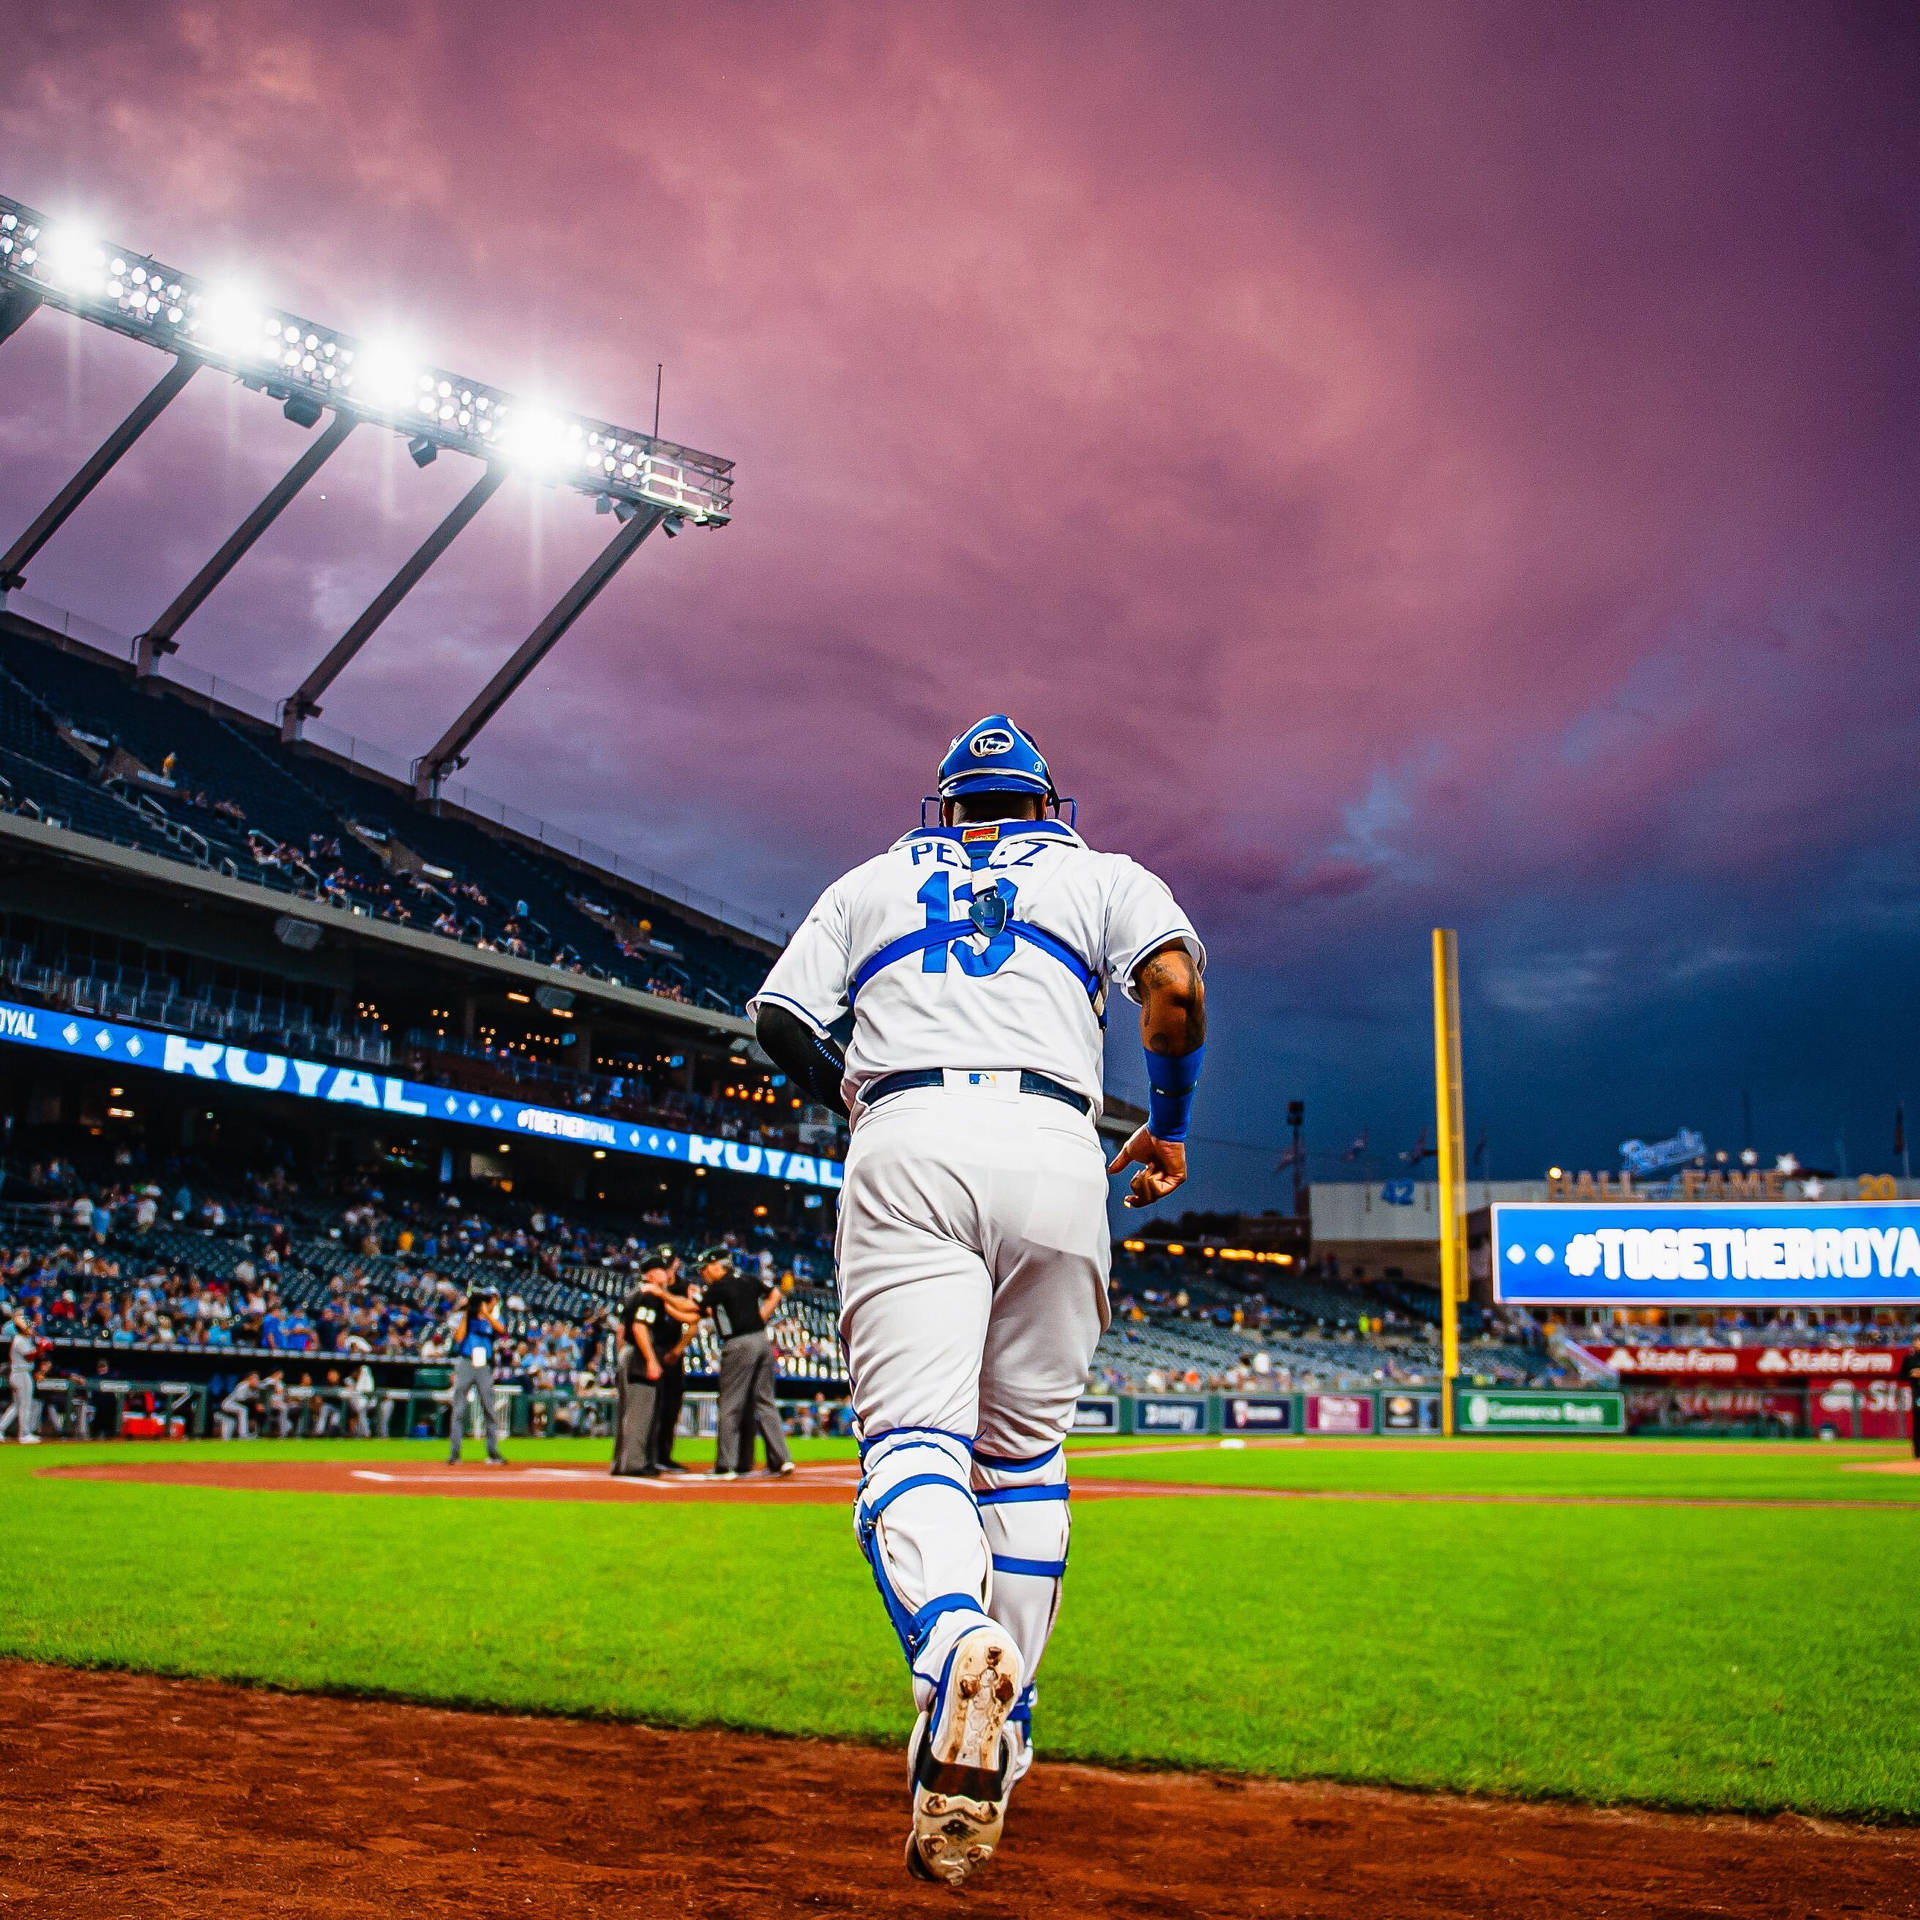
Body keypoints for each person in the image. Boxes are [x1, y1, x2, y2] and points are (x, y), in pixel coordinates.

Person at [750, 713, 1204, 1886]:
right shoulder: (1106, 874)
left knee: (913, 1446)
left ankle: (952, 1641)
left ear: (946, 806)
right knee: (1027, 1458)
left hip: (910, 1135)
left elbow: (780, 1019)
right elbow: (1173, 990)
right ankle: (1003, 1733)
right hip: (1060, 1145)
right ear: (1050, 802)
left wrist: (853, 1092)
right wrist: (1171, 1124)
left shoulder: (868, 878)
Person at [701, 1248, 793, 1481]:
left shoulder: (719, 1287)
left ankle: (725, 1466)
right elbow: (775, 1294)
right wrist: (760, 1318)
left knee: (730, 1402)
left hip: (739, 1344)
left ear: (716, 1266)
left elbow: (699, 1310)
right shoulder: (748, 1279)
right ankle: (781, 1460)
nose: (703, 1273)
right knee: (765, 1401)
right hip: (762, 1341)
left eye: (704, 1268)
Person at [612, 1256, 673, 1477]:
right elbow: (640, 1328)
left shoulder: (633, 1294)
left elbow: (621, 1330)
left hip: (628, 1351)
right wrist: (651, 1360)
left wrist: (621, 1356)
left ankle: (621, 1462)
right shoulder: (650, 1296)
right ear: (649, 1274)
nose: (665, 1274)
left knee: (627, 1412)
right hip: (640, 1352)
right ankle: (634, 1463)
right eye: (660, 1271)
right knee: (640, 1411)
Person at [650, 1246, 699, 1473]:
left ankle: (664, 1455)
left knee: (671, 1405)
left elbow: (693, 1321)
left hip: (673, 1350)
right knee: (653, 1405)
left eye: (669, 1265)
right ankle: (649, 1456)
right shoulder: (650, 1285)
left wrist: (678, 1349)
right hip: (653, 1348)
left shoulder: (682, 1287)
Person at [447, 1285, 508, 1466]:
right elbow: (458, 1338)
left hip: (484, 1365)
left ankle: (493, 1452)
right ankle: (455, 1453)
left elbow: (501, 1330)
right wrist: (467, 1313)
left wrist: (486, 1314)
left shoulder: (492, 1319)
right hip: (466, 1362)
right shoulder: (466, 1318)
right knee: (459, 1408)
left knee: (489, 1408)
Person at [0, 1304, 40, 1444]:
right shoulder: (19, 1340)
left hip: (19, 1374)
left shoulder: (24, 1339)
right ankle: (24, 1435)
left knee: (16, 1405)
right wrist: (41, 1349)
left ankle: (0, 1429)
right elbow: (29, 1357)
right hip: (21, 1374)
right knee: (25, 1405)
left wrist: (39, 1345)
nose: (30, 1328)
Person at [1901, 1344, 1920, 1459]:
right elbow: (1902, 1376)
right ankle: (1917, 1453)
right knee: (1917, 1426)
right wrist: (1912, 1374)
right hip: (1917, 1395)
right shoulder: (1910, 1359)